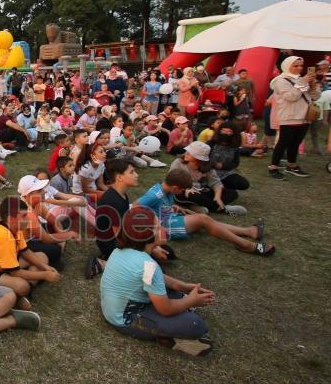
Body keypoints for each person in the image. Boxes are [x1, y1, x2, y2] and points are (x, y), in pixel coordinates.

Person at [100, 208, 215, 356]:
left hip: (114, 310)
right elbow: (165, 309)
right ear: (146, 235)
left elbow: (155, 278)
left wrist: (183, 286)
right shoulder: (148, 266)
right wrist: (191, 301)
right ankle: (168, 338)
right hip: (125, 319)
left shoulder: (120, 251)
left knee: (173, 291)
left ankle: (168, 329)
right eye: (158, 226)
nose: (163, 227)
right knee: (195, 325)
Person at [136, 169, 274, 256]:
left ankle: (249, 231)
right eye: (182, 190)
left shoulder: (164, 189)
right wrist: (153, 230)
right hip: (165, 228)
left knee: (206, 220)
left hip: (169, 218)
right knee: (203, 219)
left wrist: (175, 207)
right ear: (176, 187)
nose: (182, 192)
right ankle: (246, 245)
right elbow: (133, 210)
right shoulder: (154, 195)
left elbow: (159, 205)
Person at [0, 196, 61, 308]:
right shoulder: (3, 236)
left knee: (42, 257)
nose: (28, 218)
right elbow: (15, 273)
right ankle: (19, 293)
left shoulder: (15, 228)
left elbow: (25, 251)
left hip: (4, 265)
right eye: (24, 216)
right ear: (11, 219)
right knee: (22, 286)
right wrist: (45, 275)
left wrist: (46, 268)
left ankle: (25, 292)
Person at [268, 56, 319, 179]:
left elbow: (314, 97)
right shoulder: (280, 81)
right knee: (283, 143)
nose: (299, 68)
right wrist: (302, 82)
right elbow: (291, 97)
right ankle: (273, 168)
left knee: (295, 143)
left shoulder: (301, 79)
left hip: (304, 116)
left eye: (301, 65)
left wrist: (313, 86)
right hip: (289, 116)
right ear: (287, 66)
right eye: (295, 65)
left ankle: (291, 166)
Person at [170, 141, 247, 215]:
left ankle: (195, 206)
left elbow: (216, 183)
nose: (186, 153)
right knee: (193, 195)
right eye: (187, 151)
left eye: (191, 152)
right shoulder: (178, 162)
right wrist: (186, 188)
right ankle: (223, 208)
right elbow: (172, 179)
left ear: (199, 158)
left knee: (232, 193)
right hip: (182, 191)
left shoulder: (206, 167)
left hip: (201, 190)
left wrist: (217, 197)